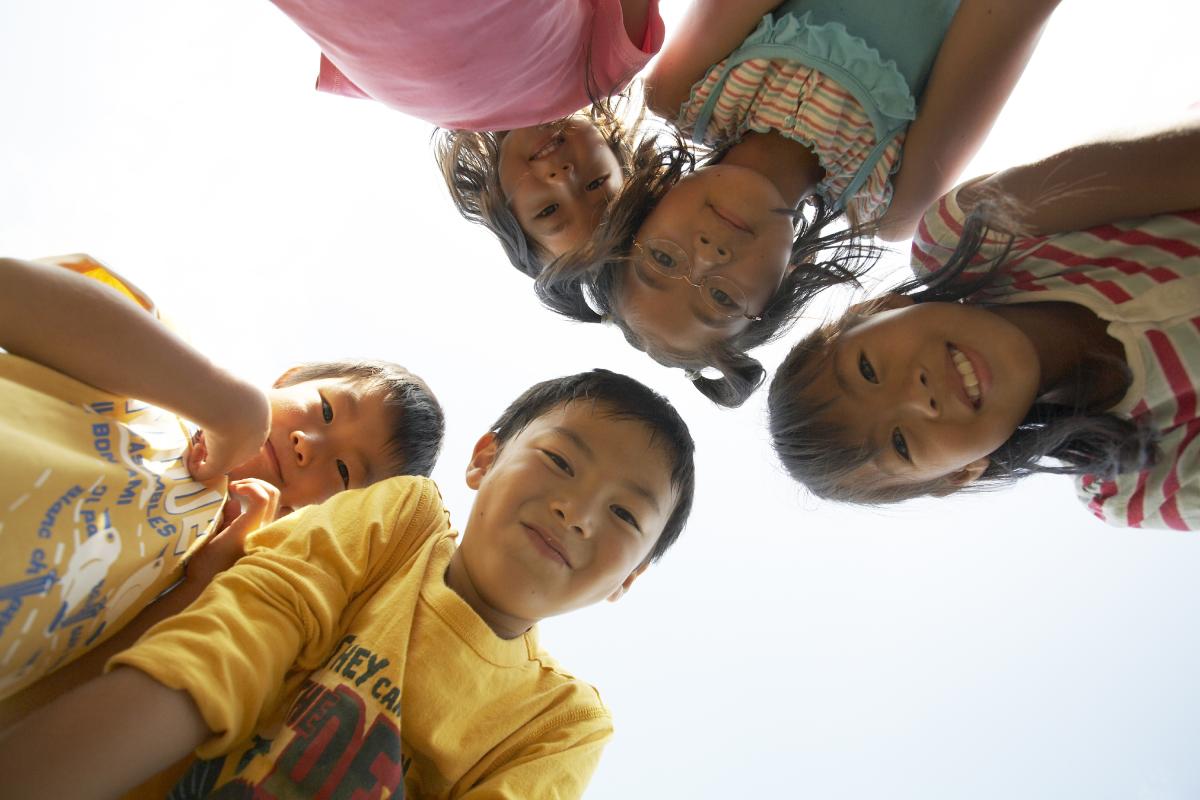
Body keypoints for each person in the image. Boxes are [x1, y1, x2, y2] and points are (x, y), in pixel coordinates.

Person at [0, 368, 696, 799]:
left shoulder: (563, 723)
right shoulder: (404, 522)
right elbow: (230, 642)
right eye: (560, 461)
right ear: (484, 459)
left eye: (625, 514)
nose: (575, 513)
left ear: (627, 579)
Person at [542, 0, 1059, 407]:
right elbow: (1012, 15)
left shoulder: (682, 90)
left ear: (647, 207)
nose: (705, 255)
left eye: (662, 259)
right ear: (778, 292)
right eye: (721, 299)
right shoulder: (892, 201)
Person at [0, 254, 445, 700]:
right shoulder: (159, 372)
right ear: (289, 378)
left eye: (344, 470)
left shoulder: (219, 569)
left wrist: (197, 585)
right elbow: (14, 293)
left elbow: (69, 692)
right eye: (325, 409)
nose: (309, 444)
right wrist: (226, 403)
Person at [767, 120, 1200, 527]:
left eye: (867, 370)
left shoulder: (975, 235)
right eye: (900, 443)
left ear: (879, 307)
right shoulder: (1129, 485)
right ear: (962, 473)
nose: (919, 397)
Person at [269, 0, 666, 280]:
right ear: (617, 154)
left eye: (547, 211)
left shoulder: (419, 102)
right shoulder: (605, 68)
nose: (564, 176)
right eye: (596, 183)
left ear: (501, 203)